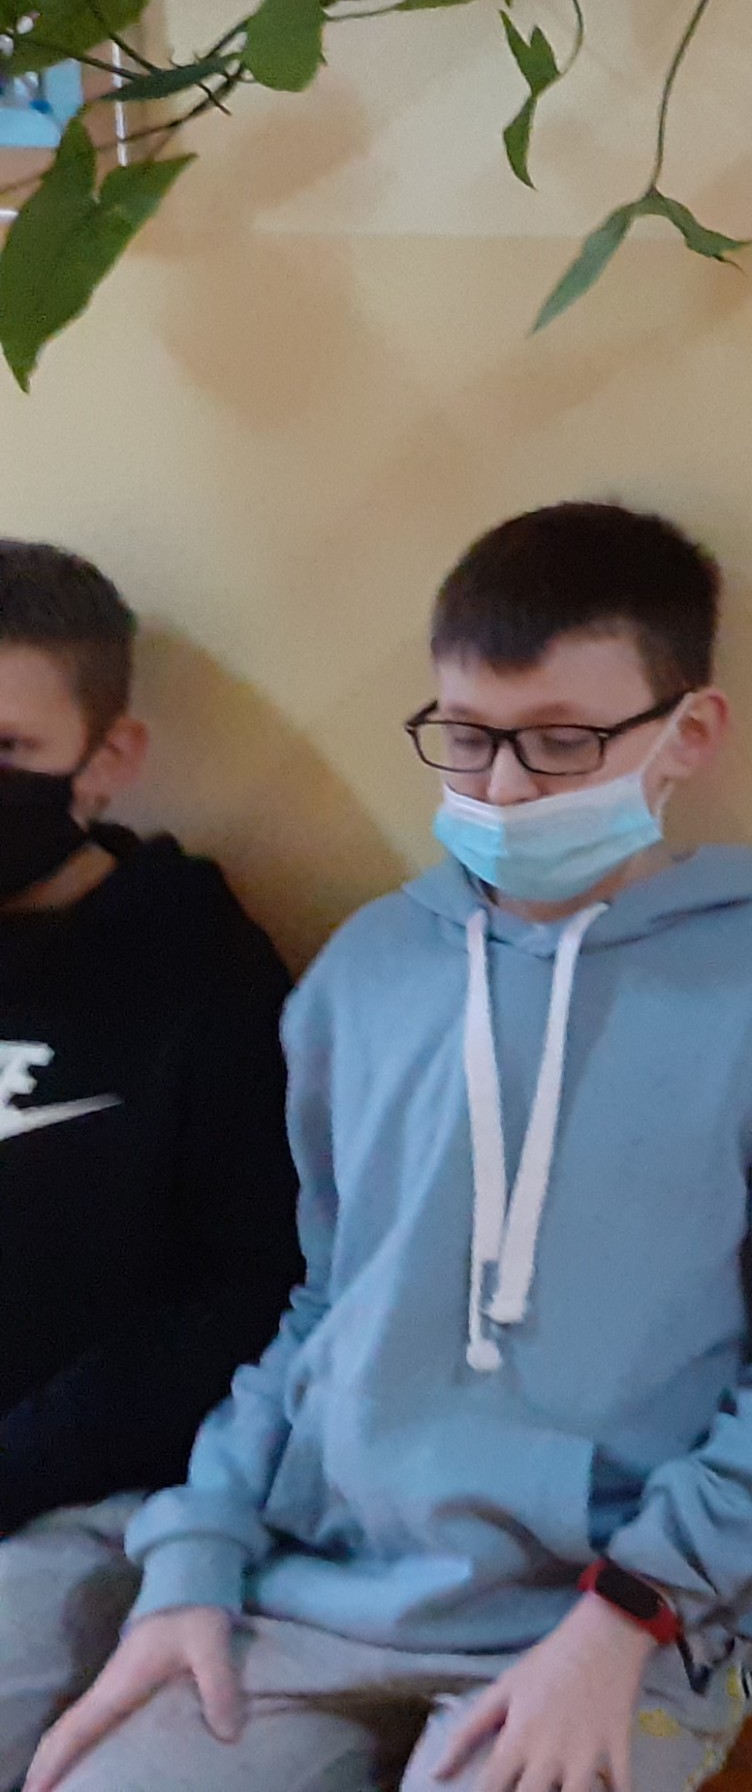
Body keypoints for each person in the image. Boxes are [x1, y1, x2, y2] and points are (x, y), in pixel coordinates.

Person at [26, 500, 752, 1792]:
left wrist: (631, 1612)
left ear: (688, 734)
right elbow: (318, 1311)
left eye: (559, 743)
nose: (500, 788)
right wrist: (194, 1558)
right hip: (320, 1592)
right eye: (469, 737)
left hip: (637, 1619)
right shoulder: (367, 974)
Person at [0, 542, 299, 1786]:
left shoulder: (204, 973)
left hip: (73, 1505)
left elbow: (247, 1292)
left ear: (107, 757)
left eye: (7, 748)